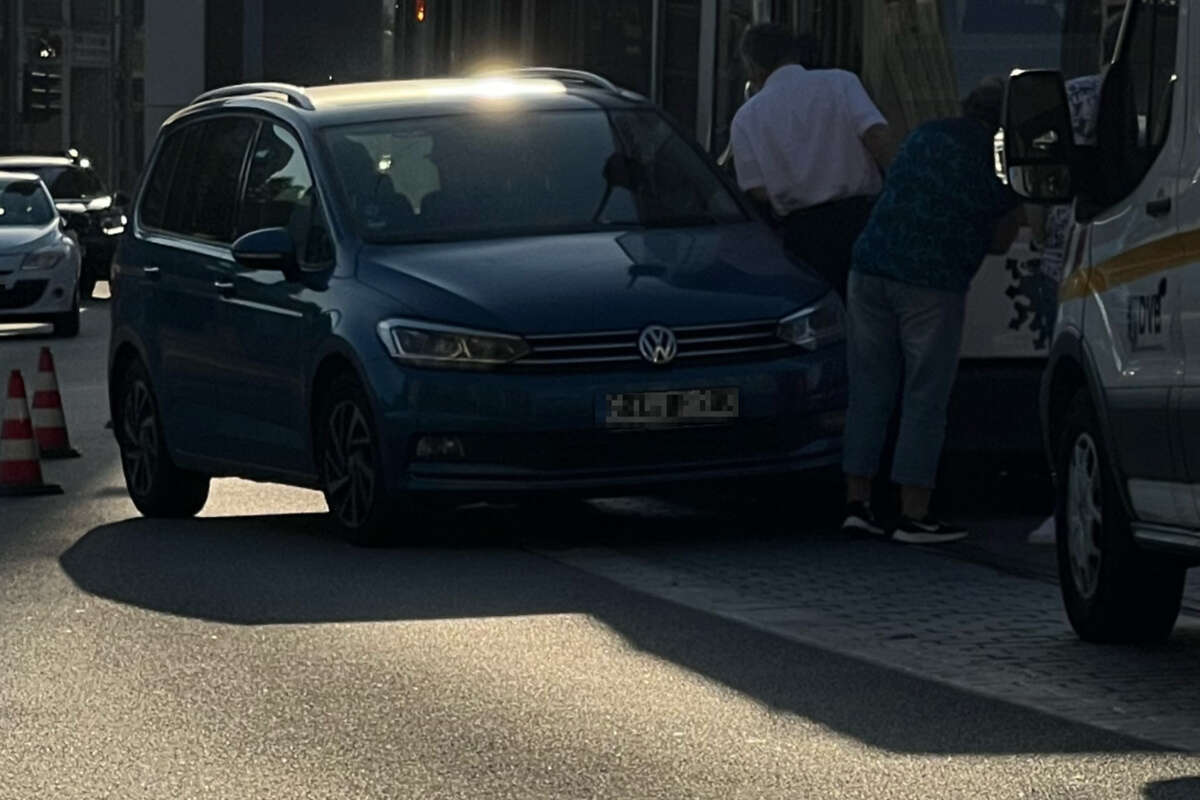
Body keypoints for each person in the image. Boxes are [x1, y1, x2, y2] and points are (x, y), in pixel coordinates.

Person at [840, 77, 1023, 544]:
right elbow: (1003, 242)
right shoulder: (1000, 161)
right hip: (930, 282)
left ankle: (857, 503)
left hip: (870, 266)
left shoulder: (926, 133)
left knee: (870, 389)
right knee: (925, 395)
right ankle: (914, 514)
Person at [730, 23, 895, 298]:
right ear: (793, 53)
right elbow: (876, 136)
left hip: (803, 235)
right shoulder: (842, 82)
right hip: (862, 221)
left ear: (753, 68)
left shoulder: (746, 118)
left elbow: (757, 191)